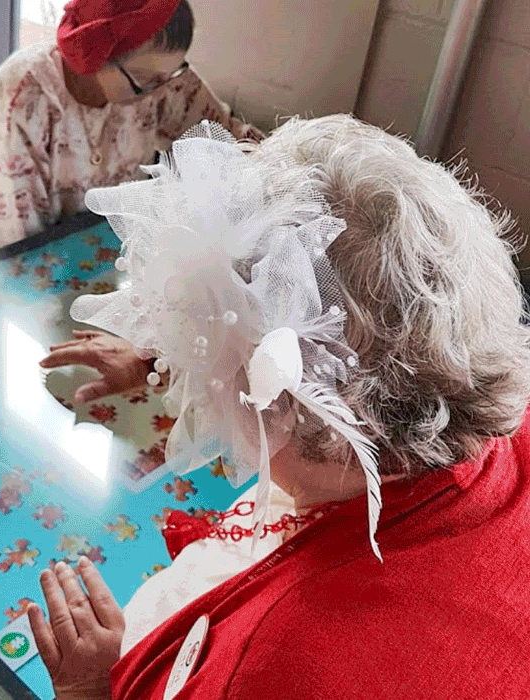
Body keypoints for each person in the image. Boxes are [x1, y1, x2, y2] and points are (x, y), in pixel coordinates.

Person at [27, 115, 530, 700]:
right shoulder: (469, 396)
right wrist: (173, 350)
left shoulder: (272, 669)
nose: (202, 390)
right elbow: (353, 335)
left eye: (217, 371)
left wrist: (91, 689)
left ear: (283, 407)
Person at [0, 0, 263, 252]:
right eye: (146, 80)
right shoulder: (28, 93)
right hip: (12, 253)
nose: (161, 90)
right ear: (99, 56)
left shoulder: (160, 79)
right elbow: (22, 234)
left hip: (105, 239)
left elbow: (228, 139)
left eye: (171, 75)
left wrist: (275, 164)